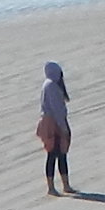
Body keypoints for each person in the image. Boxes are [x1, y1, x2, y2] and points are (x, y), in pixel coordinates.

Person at [36, 60, 73, 195]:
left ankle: (64, 185)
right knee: (55, 154)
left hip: (51, 121)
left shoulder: (49, 84)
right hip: (53, 124)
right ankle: (54, 187)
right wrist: (63, 127)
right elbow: (56, 109)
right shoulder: (51, 86)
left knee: (59, 154)